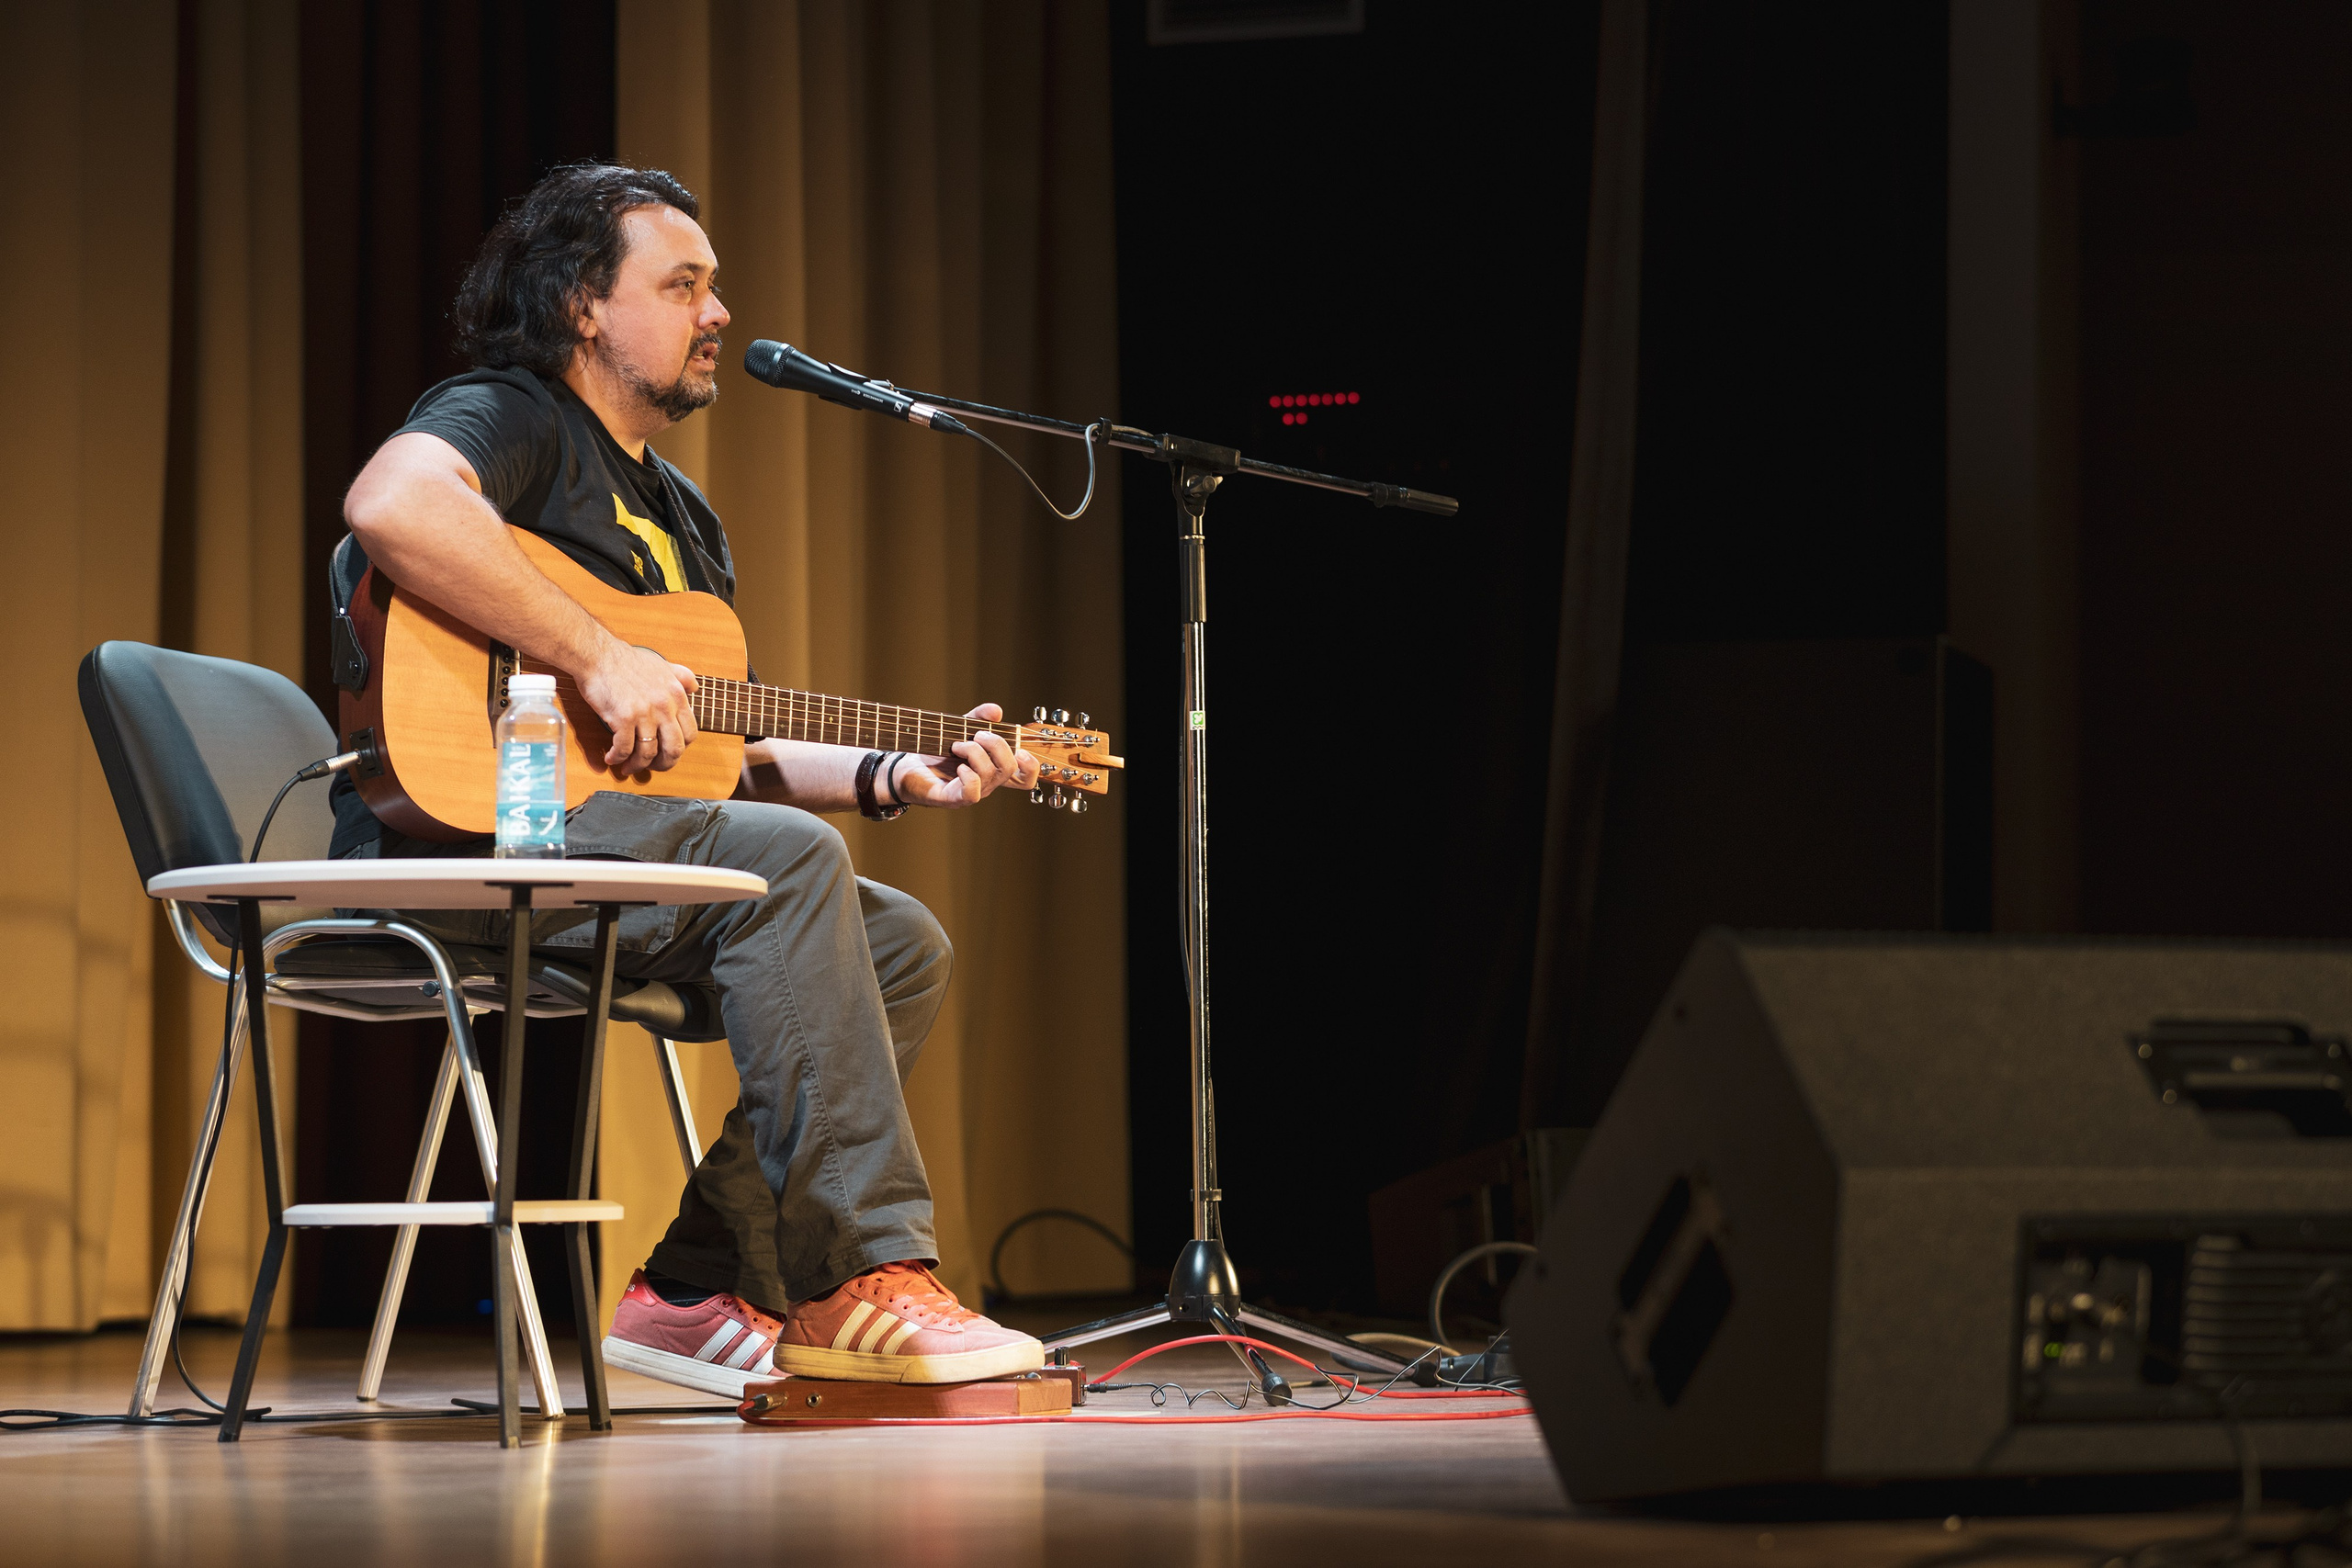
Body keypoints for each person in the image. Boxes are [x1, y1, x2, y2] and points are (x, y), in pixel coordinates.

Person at [334, 163, 1046, 1396]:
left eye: (716, 287)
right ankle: (863, 1276)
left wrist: (896, 771)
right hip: (466, 835)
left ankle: (692, 1289)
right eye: (685, 284)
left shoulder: (683, 513)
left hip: (601, 844)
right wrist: (597, 653)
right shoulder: (510, 414)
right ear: (582, 308)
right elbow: (390, 506)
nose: (721, 313)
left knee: (903, 942)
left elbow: (718, 744)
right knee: (792, 866)